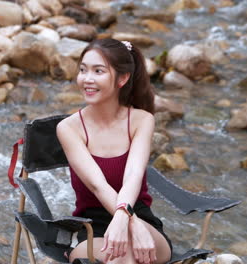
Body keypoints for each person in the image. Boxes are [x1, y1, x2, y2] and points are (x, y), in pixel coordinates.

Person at [56, 38, 172, 264]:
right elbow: (97, 185)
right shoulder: (69, 128)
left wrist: (129, 221)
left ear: (122, 78)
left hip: (144, 222)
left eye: (98, 71)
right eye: (83, 70)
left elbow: (133, 176)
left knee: (128, 253)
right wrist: (129, 221)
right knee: (122, 257)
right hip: (92, 229)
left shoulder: (141, 120)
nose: (87, 79)